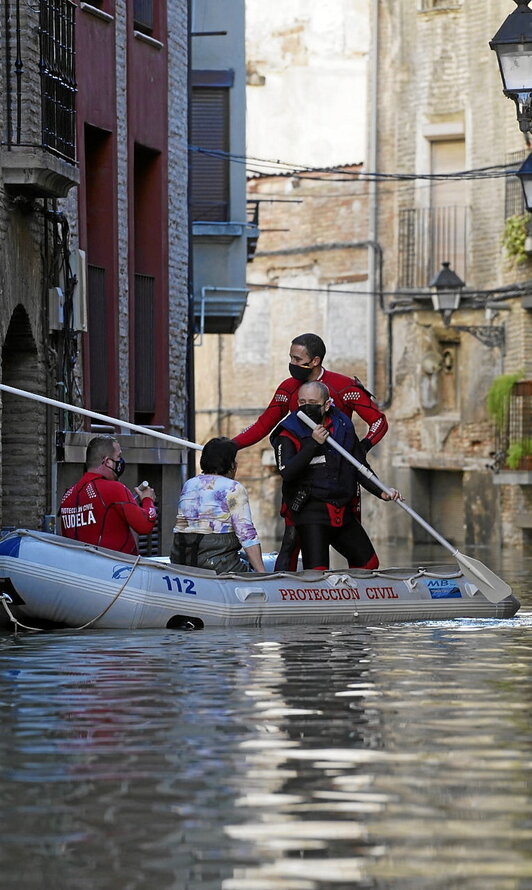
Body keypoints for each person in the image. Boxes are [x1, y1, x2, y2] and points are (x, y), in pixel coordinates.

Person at [233, 332, 389, 569]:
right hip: (302, 483)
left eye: (298, 360)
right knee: (291, 543)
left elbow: (378, 421)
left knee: (354, 539)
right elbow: (263, 425)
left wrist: (362, 448)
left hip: (341, 477)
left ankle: (356, 597)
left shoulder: (344, 386)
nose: (292, 365)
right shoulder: (287, 388)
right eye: (291, 358)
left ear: (315, 361)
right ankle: (286, 594)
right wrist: (231, 445)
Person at [271, 382, 401, 571]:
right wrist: (313, 444)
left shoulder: (343, 425)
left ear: (326, 404)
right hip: (311, 510)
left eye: (313, 402)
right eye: (302, 402)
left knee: (369, 563)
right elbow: (287, 472)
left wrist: (381, 491)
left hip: (341, 507)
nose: (307, 406)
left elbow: (358, 465)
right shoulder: (288, 431)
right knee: (317, 572)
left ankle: (353, 596)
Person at [171, 437, 266, 574]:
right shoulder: (233, 488)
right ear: (231, 464)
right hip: (215, 560)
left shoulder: (189, 484)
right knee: (249, 568)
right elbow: (246, 533)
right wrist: (261, 572)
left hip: (180, 556)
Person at [60, 435, 157, 555]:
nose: (121, 461)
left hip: (78, 569)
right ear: (107, 462)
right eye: (119, 456)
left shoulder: (67, 496)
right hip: (118, 569)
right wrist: (148, 499)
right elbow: (144, 525)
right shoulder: (115, 489)